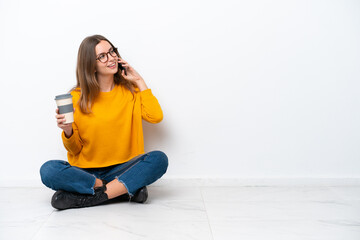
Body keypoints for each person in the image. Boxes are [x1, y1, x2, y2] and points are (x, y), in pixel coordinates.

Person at [40, 35, 168, 210]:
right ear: (90, 65)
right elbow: (74, 150)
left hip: (123, 167)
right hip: (87, 172)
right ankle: (121, 190)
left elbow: (156, 117)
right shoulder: (76, 98)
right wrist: (67, 129)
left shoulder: (130, 91)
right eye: (102, 56)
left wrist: (139, 81)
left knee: (159, 159)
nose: (111, 58)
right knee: (48, 170)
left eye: (112, 51)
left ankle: (92, 197)